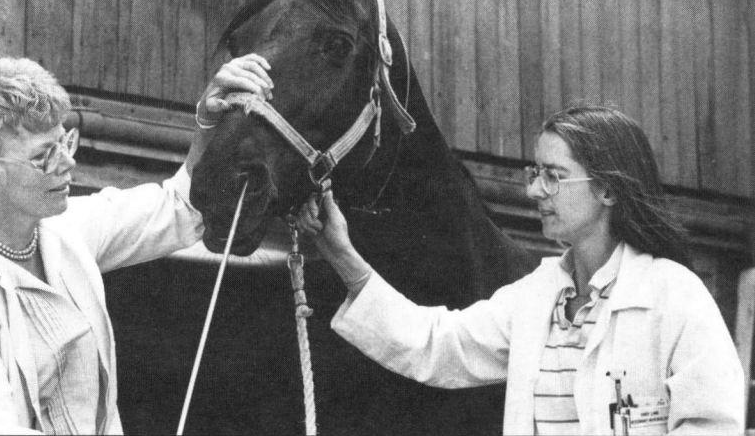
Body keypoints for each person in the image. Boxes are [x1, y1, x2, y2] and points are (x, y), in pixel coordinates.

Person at [296, 105, 744, 435]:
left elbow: (712, 426)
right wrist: (341, 254)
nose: (533, 190)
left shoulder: (674, 295)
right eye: (535, 172)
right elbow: (436, 345)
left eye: (552, 175)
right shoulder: (535, 297)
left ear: (606, 189)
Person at [0, 54, 272, 434]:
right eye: (44, 156)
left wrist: (207, 123)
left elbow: (178, 207)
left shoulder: (66, 227)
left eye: (65, 141)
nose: (68, 163)